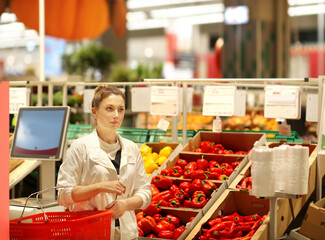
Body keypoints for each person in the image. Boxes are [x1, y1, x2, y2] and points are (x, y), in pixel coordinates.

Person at [57, 84, 151, 240]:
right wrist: (100, 187)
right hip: (90, 233)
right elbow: (63, 195)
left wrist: (126, 204)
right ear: (94, 112)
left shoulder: (132, 148)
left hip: (127, 233)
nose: (116, 115)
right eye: (109, 109)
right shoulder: (80, 147)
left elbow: (145, 192)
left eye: (120, 109)